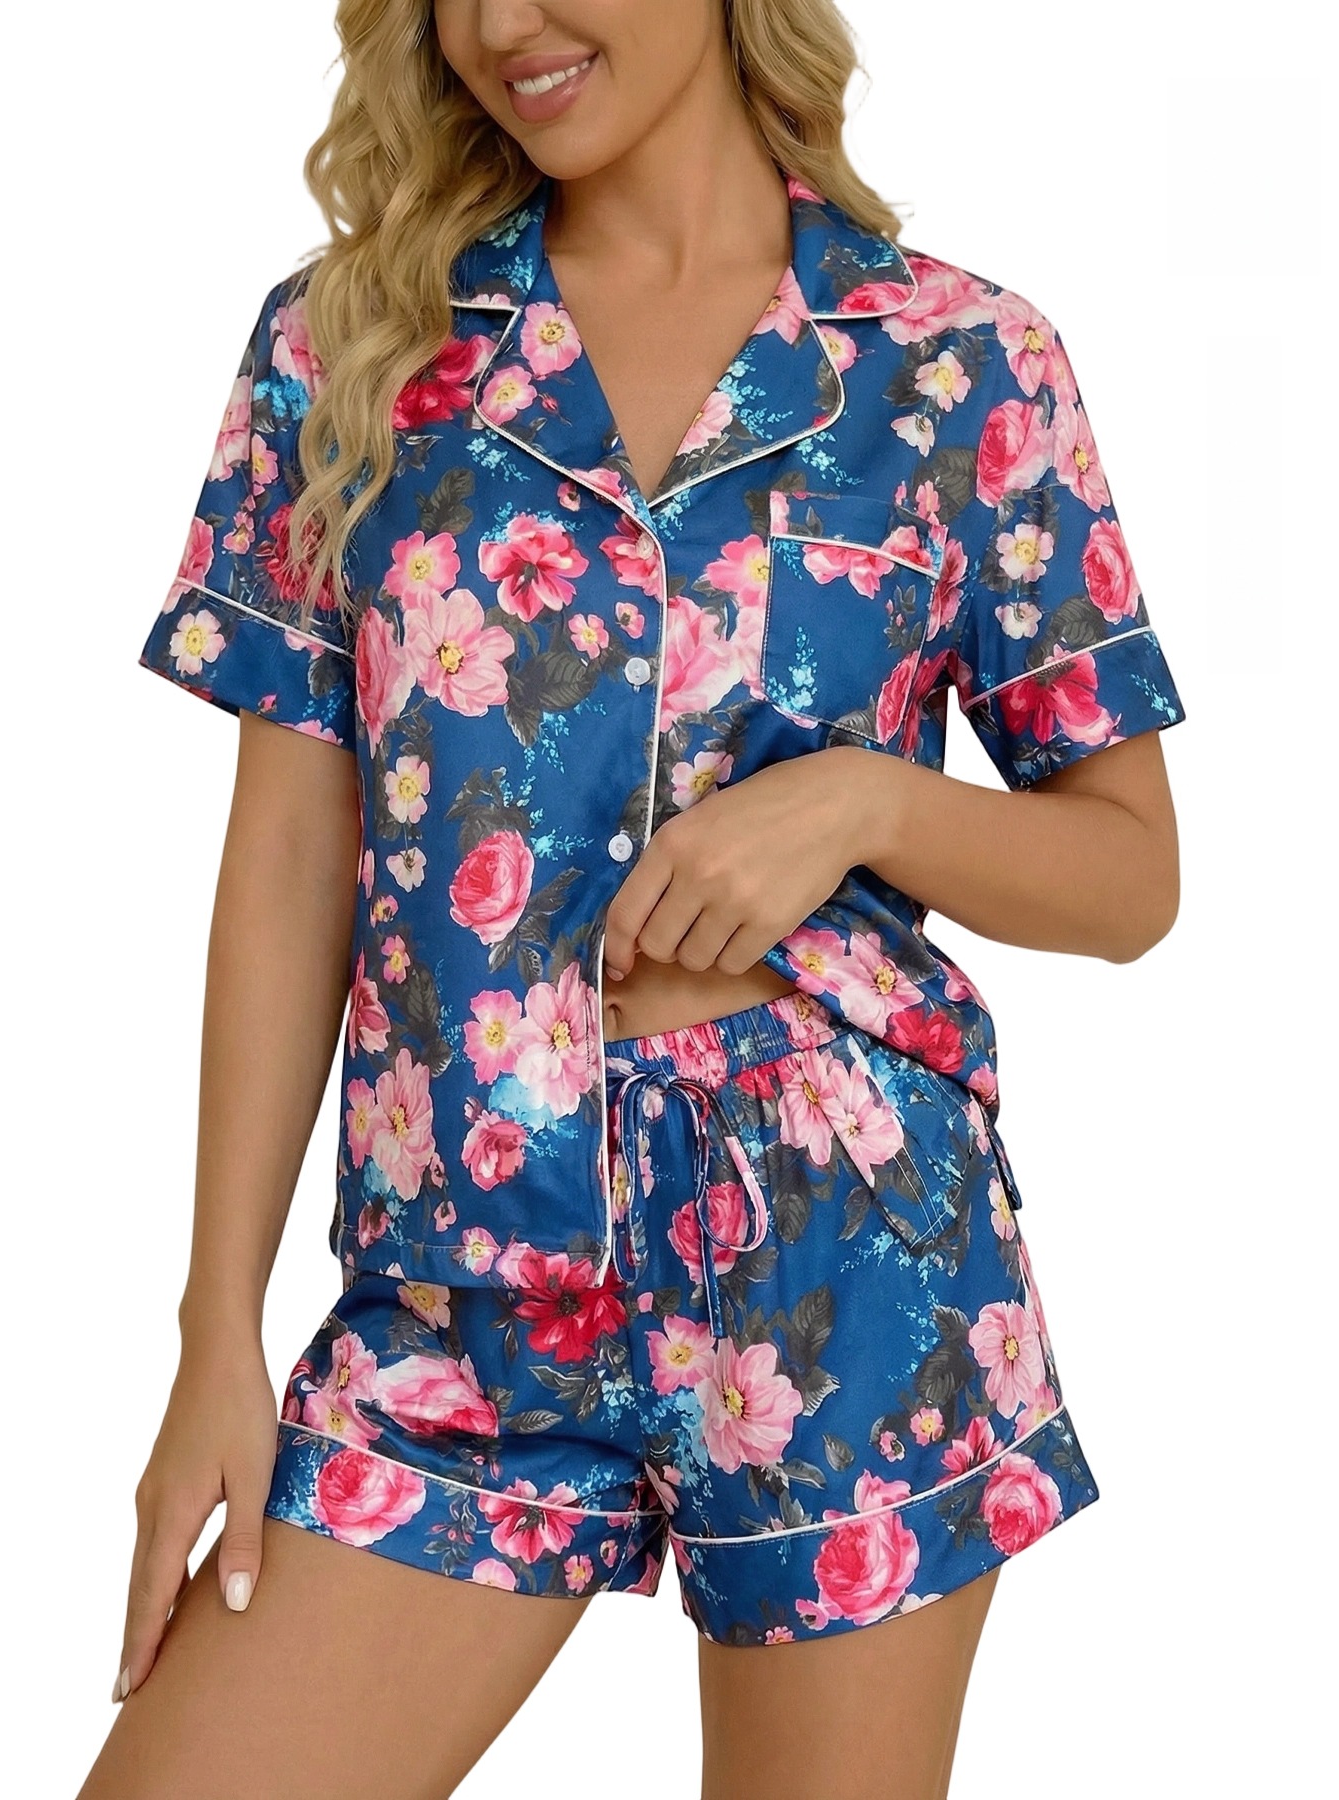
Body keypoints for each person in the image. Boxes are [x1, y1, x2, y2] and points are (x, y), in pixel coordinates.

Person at [79, 2, 1185, 1796]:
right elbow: (287, 861)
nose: (497, 24)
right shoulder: (352, 344)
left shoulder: (956, 362)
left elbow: (1129, 878)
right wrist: (218, 1328)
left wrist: (865, 801)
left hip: (847, 1258)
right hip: (456, 1278)